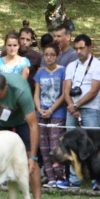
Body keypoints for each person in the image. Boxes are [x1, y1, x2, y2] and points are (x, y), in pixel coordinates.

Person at [59, 34, 100, 190]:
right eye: (76, 48)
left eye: (82, 48)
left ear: (90, 47)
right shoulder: (71, 66)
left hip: (90, 108)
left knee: (93, 143)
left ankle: (96, 179)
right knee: (70, 143)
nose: (79, 51)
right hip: (71, 108)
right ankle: (74, 179)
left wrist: (77, 105)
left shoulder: (98, 66)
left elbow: (94, 90)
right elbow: (66, 89)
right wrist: (72, 106)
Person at [33, 42, 67, 188]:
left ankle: (61, 176)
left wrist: (52, 109)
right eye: (46, 54)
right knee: (44, 146)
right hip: (41, 113)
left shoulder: (63, 71)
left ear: (57, 56)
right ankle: (50, 176)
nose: (49, 57)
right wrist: (40, 109)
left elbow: (64, 94)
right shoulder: (40, 73)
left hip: (57, 112)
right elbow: (36, 94)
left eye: (52, 55)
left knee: (55, 144)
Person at [17, 27, 42, 92]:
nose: (24, 42)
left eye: (27, 40)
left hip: (30, 93)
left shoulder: (37, 56)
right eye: (22, 38)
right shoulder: (8, 53)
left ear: (31, 41)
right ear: (18, 39)